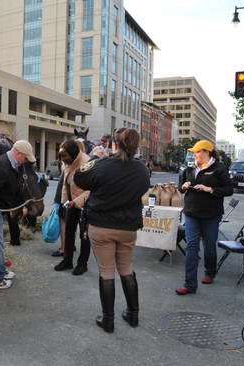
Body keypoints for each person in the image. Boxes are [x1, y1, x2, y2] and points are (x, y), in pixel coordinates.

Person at [74, 128, 150, 333]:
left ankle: (108, 319)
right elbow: (143, 188)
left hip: (102, 226)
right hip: (128, 227)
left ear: (114, 144)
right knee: (126, 268)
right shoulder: (142, 169)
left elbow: (79, 178)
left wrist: (94, 158)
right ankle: (133, 314)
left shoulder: (102, 165)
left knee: (106, 271)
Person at [176, 140, 233, 295]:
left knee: (209, 245)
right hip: (191, 212)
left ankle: (210, 272)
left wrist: (210, 189)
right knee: (192, 246)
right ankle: (189, 285)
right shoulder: (189, 168)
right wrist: (184, 186)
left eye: (198, 151)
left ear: (207, 152)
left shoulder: (219, 168)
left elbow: (229, 189)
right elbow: (180, 189)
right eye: (194, 152)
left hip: (211, 214)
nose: (195, 154)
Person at [0, 140, 37, 290]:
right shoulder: (2, 165)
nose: (25, 161)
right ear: (18, 153)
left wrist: (19, 206)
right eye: (25, 158)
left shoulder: (11, 164)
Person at [54, 140, 91, 275]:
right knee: (69, 233)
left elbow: (91, 190)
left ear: (74, 153)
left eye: (65, 157)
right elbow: (66, 184)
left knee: (84, 235)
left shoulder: (87, 163)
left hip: (85, 205)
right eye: (61, 157)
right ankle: (67, 261)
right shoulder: (67, 163)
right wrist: (64, 202)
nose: (63, 160)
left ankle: (82, 264)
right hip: (70, 204)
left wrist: (76, 202)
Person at [51, 170, 66, 257]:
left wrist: (57, 201)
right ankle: (69, 246)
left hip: (64, 201)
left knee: (63, 224)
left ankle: (63, 249)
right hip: (71, 201)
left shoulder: (68, 168)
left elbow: (61, 187)